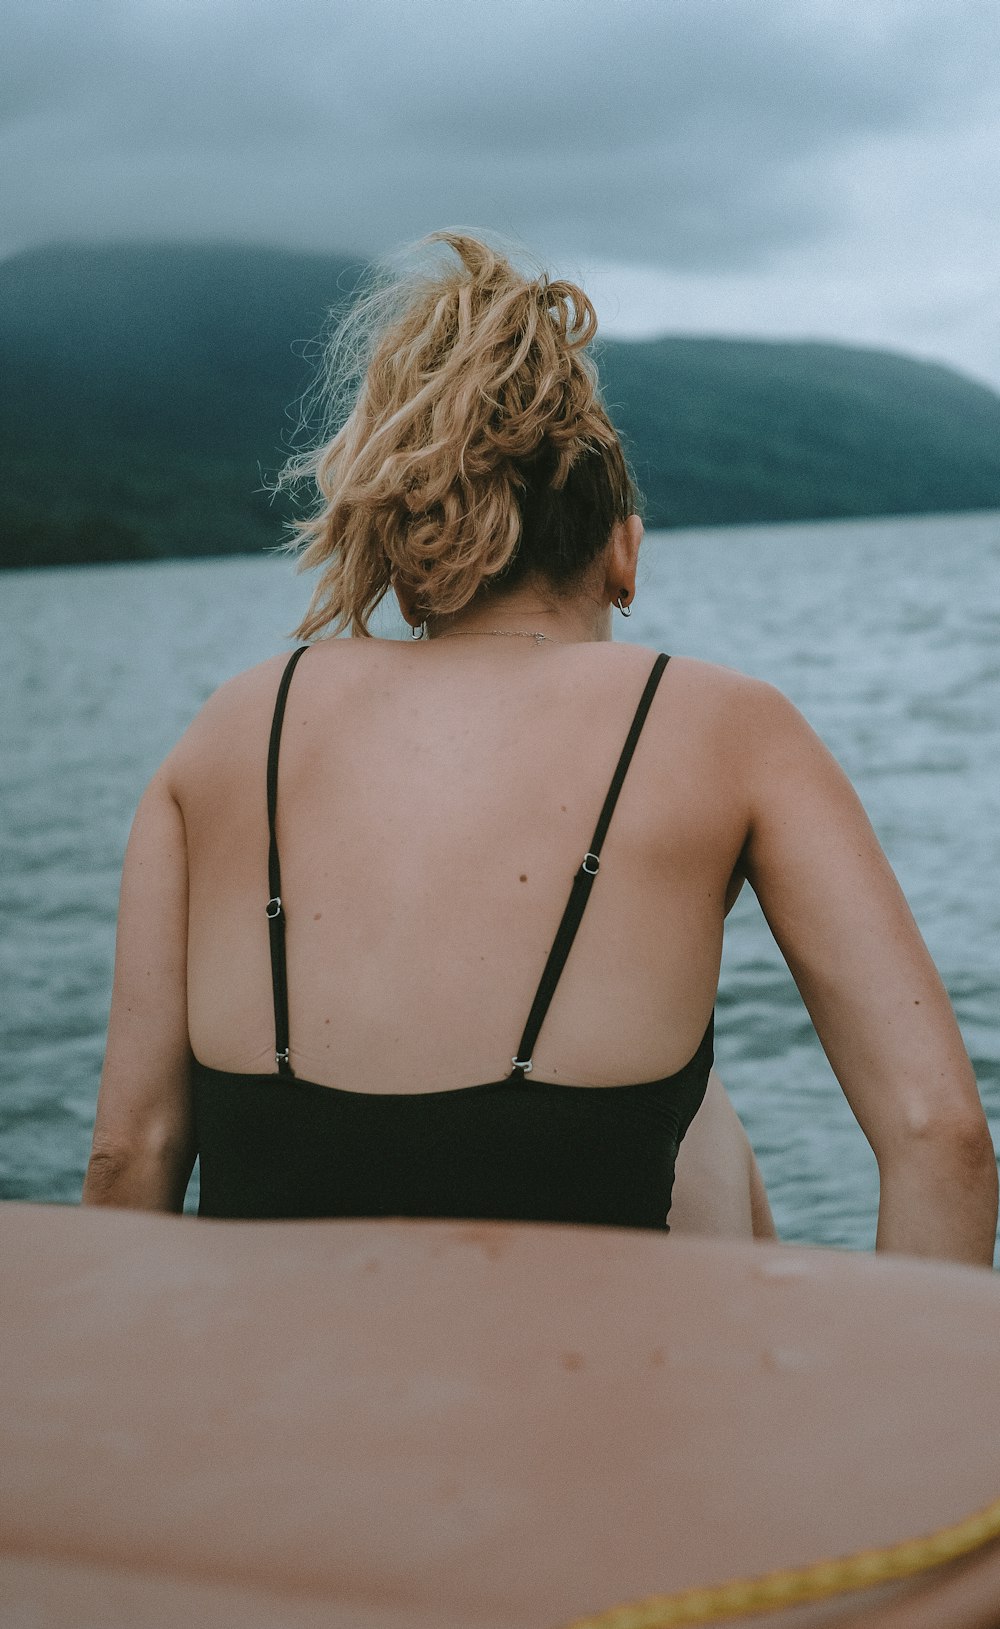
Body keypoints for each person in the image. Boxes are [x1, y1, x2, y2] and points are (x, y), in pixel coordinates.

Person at [83, 233, 995, 1262]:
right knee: (703, 1126)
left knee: (696, 1121)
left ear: (405, 553)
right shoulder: (727, 726)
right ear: (624, 553)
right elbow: (939, 1139)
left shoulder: (233, 726)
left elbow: (132, 1151)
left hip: (269, 1406)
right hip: (583, 1411)